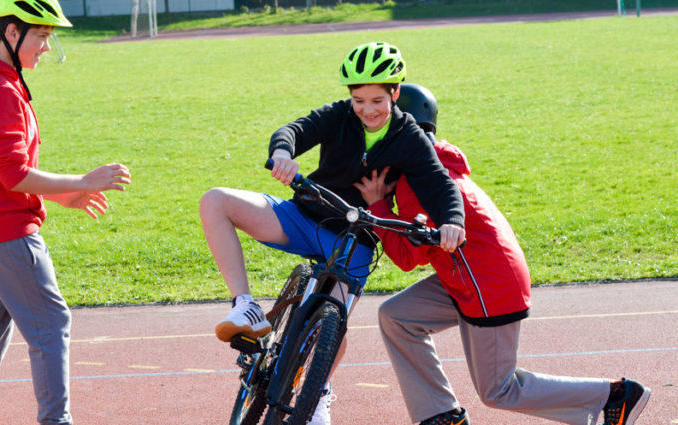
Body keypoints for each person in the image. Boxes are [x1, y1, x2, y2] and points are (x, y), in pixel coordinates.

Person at [199, 42, 466, 425]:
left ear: (395, 93)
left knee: (332, 321)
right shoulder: (339, 116)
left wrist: (453, 221)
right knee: (215, 201)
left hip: (356, 240)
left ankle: (318, 390)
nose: (367, 109)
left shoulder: (409, 135)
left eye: (376, 99)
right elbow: (293, 130)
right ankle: (247, 306)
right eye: (358, 99)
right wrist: (283, 154)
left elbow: (440, 183)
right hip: (305, 216)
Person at [354, 83, 650, 425]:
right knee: (398, 315)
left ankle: (616, 395)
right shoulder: (430, 166)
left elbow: (409, 258)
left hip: (489, 286)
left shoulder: (421, 182)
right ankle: (441, 414)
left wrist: (379, 205)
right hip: (467, 276)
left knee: (499, 390)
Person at [0, 1, 131, 423]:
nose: (47, 48)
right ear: (12, 33)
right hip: (4, 231)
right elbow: (13, 174)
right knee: (50, 322)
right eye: (42, 36)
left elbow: (0, 173)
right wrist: (83, 182)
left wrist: (58, 196)